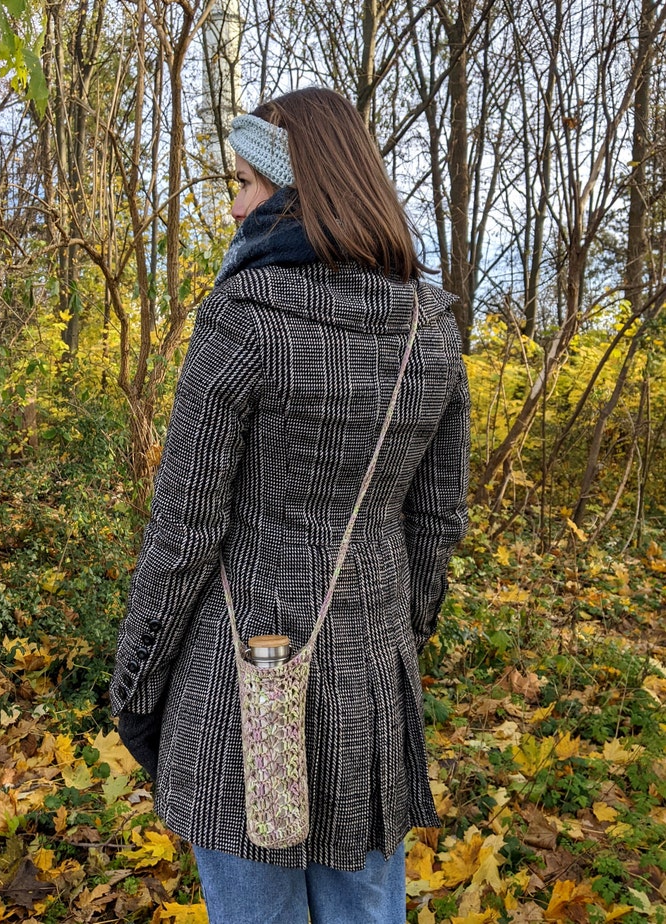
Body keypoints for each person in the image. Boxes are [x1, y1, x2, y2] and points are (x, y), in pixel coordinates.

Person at [111, 87, 470, 923]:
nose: (233, 205)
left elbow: (185, 531)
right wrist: (398, 643)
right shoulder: (434, 326)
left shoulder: (244, 317)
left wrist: (137, 680)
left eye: (241, 182)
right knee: (366, 910)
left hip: (240, 684)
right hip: (372, 684)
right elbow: (436, 519)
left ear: (289, 188)